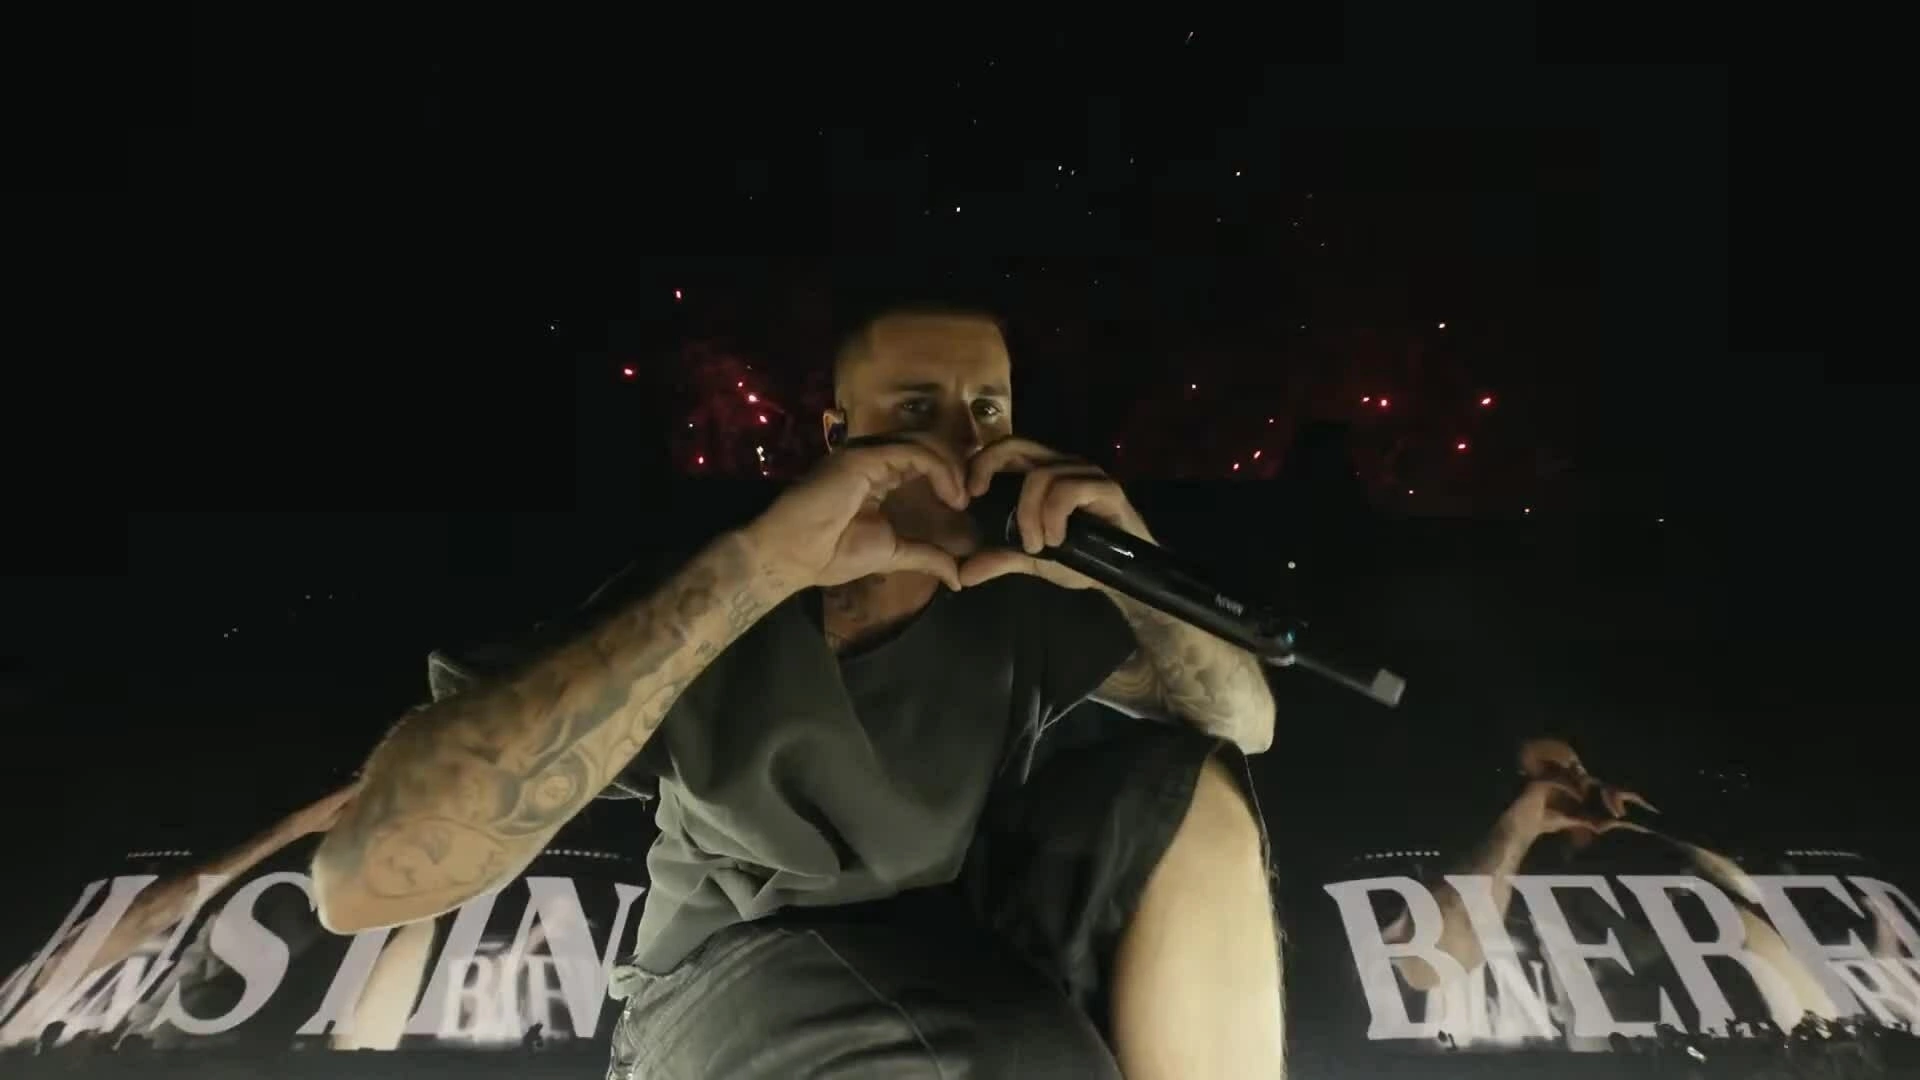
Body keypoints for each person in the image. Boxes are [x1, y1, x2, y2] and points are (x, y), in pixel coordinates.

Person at [313, 304, 1287, 1077]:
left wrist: (1136, 569)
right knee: (989, 1054)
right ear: (839, 434)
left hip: (956, 941)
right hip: (730, 976)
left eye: (988, 411)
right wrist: (757, 570)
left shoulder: (1016, 596)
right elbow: (360, 879)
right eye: (917, 412)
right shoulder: (710, 593)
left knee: (1192, 792)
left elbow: (1245, 723)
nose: (963, 445)